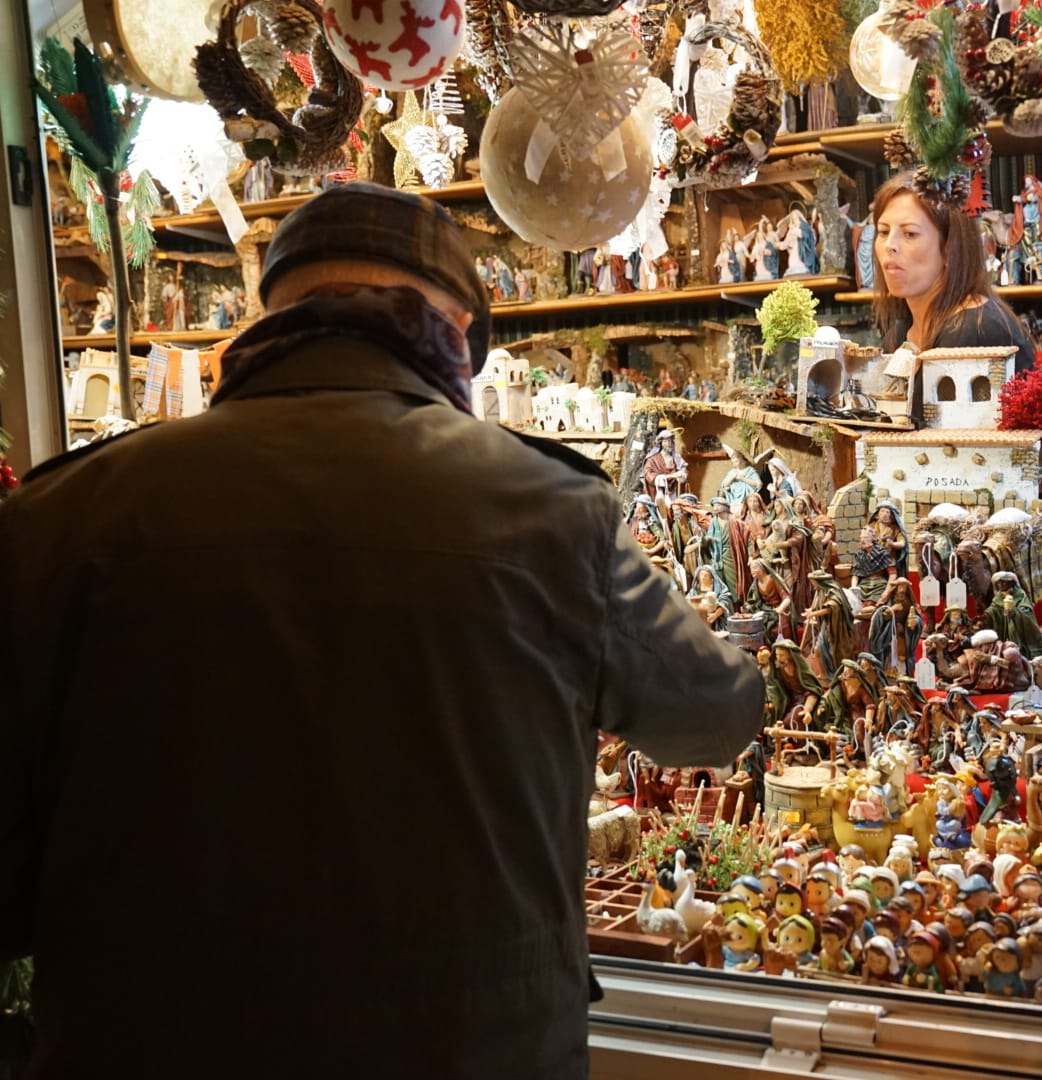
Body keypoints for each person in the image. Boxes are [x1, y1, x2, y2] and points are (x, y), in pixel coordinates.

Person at [0, 183, 763, 1079]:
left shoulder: (70, 511)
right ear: (454, 331)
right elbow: (710, 716)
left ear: (271, 318)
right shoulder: (549, 510)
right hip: (468, 1050)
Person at [871, 173, 1037, 371]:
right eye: (883, 232)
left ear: (951, 248)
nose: (890, 245)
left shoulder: (974, 328)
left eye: (910, 234)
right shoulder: (899, 334)